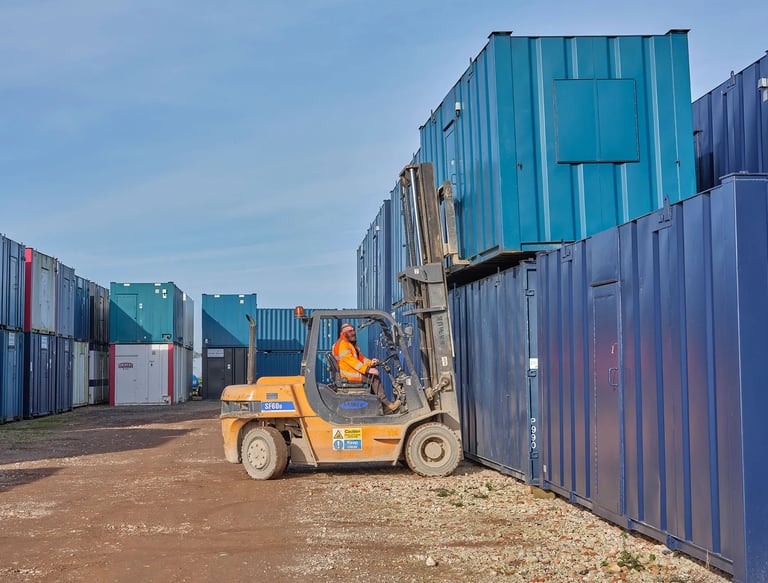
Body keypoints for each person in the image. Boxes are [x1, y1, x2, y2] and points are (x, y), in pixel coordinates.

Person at [332, 322, 401, 414]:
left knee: (373, 375)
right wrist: (367, 369)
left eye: (353, 330)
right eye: (349, 331)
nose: (353, 333)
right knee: (374, 378)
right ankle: (386, 405)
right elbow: (351, 361)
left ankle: (376, 406)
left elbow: (361, 359)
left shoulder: (350, 344)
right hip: (348, 374)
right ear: (343, 333)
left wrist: (370, 362)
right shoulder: (343, 344)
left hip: (350, 371)